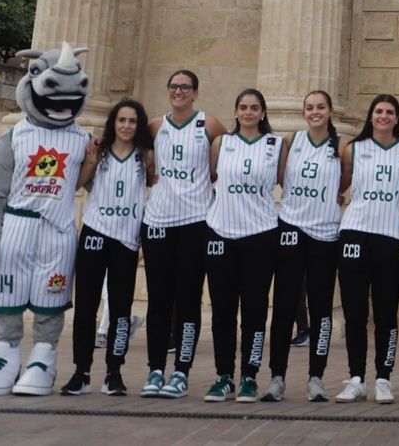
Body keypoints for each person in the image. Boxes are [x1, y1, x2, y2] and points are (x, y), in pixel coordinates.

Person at [141, 69, 228, 399]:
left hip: (196, 220)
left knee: (189, 299)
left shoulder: (209, 124)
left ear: (195, 92)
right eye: (174, 86)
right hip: (159, 220)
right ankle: (155, 369)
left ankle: (181, 372)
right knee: (158, 301)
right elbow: (145, 164)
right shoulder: (155, 126)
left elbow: (226, 159)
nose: (179, 92)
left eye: (185, 87)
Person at [62, 98, 154, 396]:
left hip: (126, 238)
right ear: (113, 122)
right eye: (122, 120)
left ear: (139, 126)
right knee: (86, 306)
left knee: (121, 309)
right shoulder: (98, 151)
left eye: (132, 121)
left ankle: (114, 372)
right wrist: (89, 161)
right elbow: (77, 184)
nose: (126, 126)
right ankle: (82, 371)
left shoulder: (145, 157)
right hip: (95, 231)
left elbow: (154, 187)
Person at [261, 90, 343, 402]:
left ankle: (316, 377)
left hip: (325, 233)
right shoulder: (291, 141)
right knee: (284, 305)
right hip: (291, 228)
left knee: (321, 309)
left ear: (330, 110)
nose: (315, 112)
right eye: (310, 107)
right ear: (304, 112)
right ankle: (277, 377)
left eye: (321, 107)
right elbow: (282, 177)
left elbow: (345, 180)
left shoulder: (341, 146)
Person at [334, 94, 399, 403]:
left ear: (397, 117)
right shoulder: (353, 149)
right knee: (355, 311)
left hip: (390, 235)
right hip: (354, 232)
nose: (384, 116)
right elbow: (341, 185)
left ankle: (383, 378)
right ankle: (356, 377)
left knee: (386, 312)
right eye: (379, 111)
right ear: (371, 116)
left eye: (390, 112)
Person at [202, 89, 281, 402]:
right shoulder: (221, 143)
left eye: (254, 107)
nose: (248, 112)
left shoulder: (276, 145)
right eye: (243, 107)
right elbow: (211, 177)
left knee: (255, 310)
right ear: (235, 112)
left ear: (263, 112)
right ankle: (224, 375)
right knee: (222, 310)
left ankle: (250, 375)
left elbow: (286, 182)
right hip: (221, 231)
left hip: (260, 233)